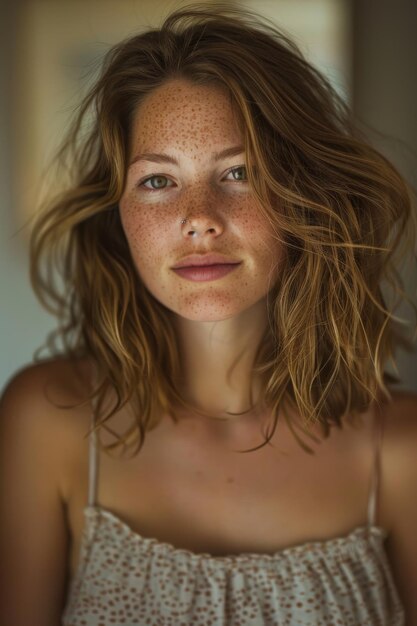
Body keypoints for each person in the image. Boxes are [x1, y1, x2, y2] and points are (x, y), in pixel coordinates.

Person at [1, 3, 416, 624]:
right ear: (119, 212)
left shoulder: (401, 452)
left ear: (304, 197)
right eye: (158, 181)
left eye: (239, 172)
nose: (199, 216)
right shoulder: (48, 424)